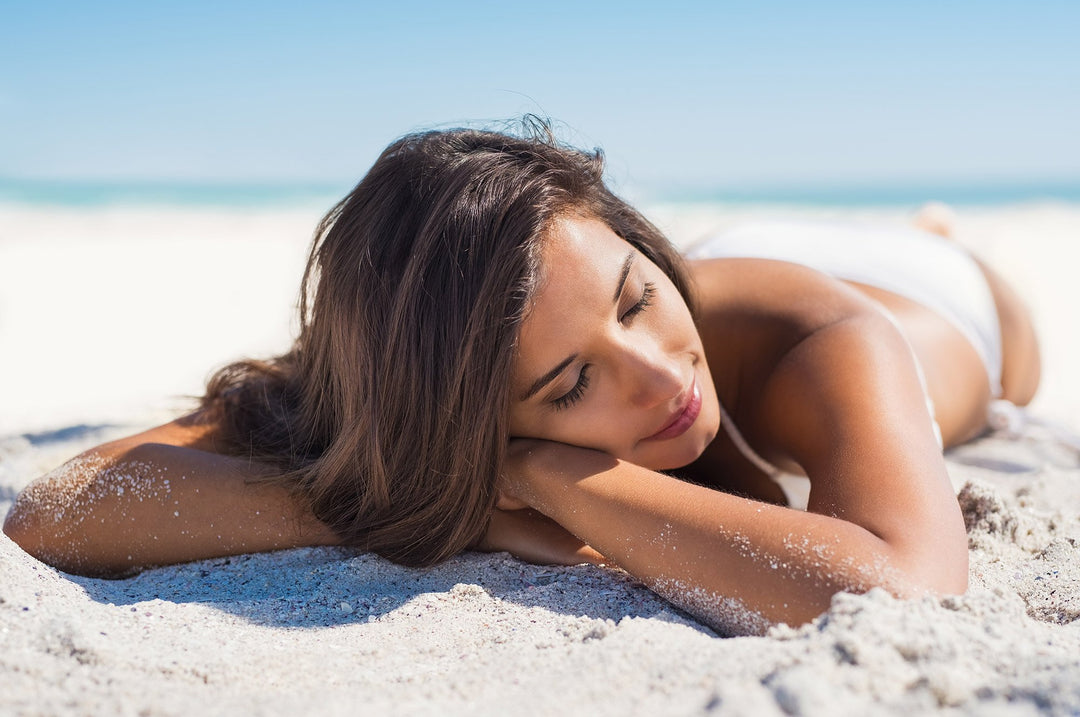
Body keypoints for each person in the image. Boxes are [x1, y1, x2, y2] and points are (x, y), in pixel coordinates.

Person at [2, 121, 1041, 635]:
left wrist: (552, 477)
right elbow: (53, 509)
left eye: (637, 300)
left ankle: (935, 227)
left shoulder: (816, 333)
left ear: (637, 241)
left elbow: (905, 587)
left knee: (1005, 335)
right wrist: (448, 499)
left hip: (940, 300)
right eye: (570, 383)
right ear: (477, 424)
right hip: (617, 287)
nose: (658, 375)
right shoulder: (457, 367)